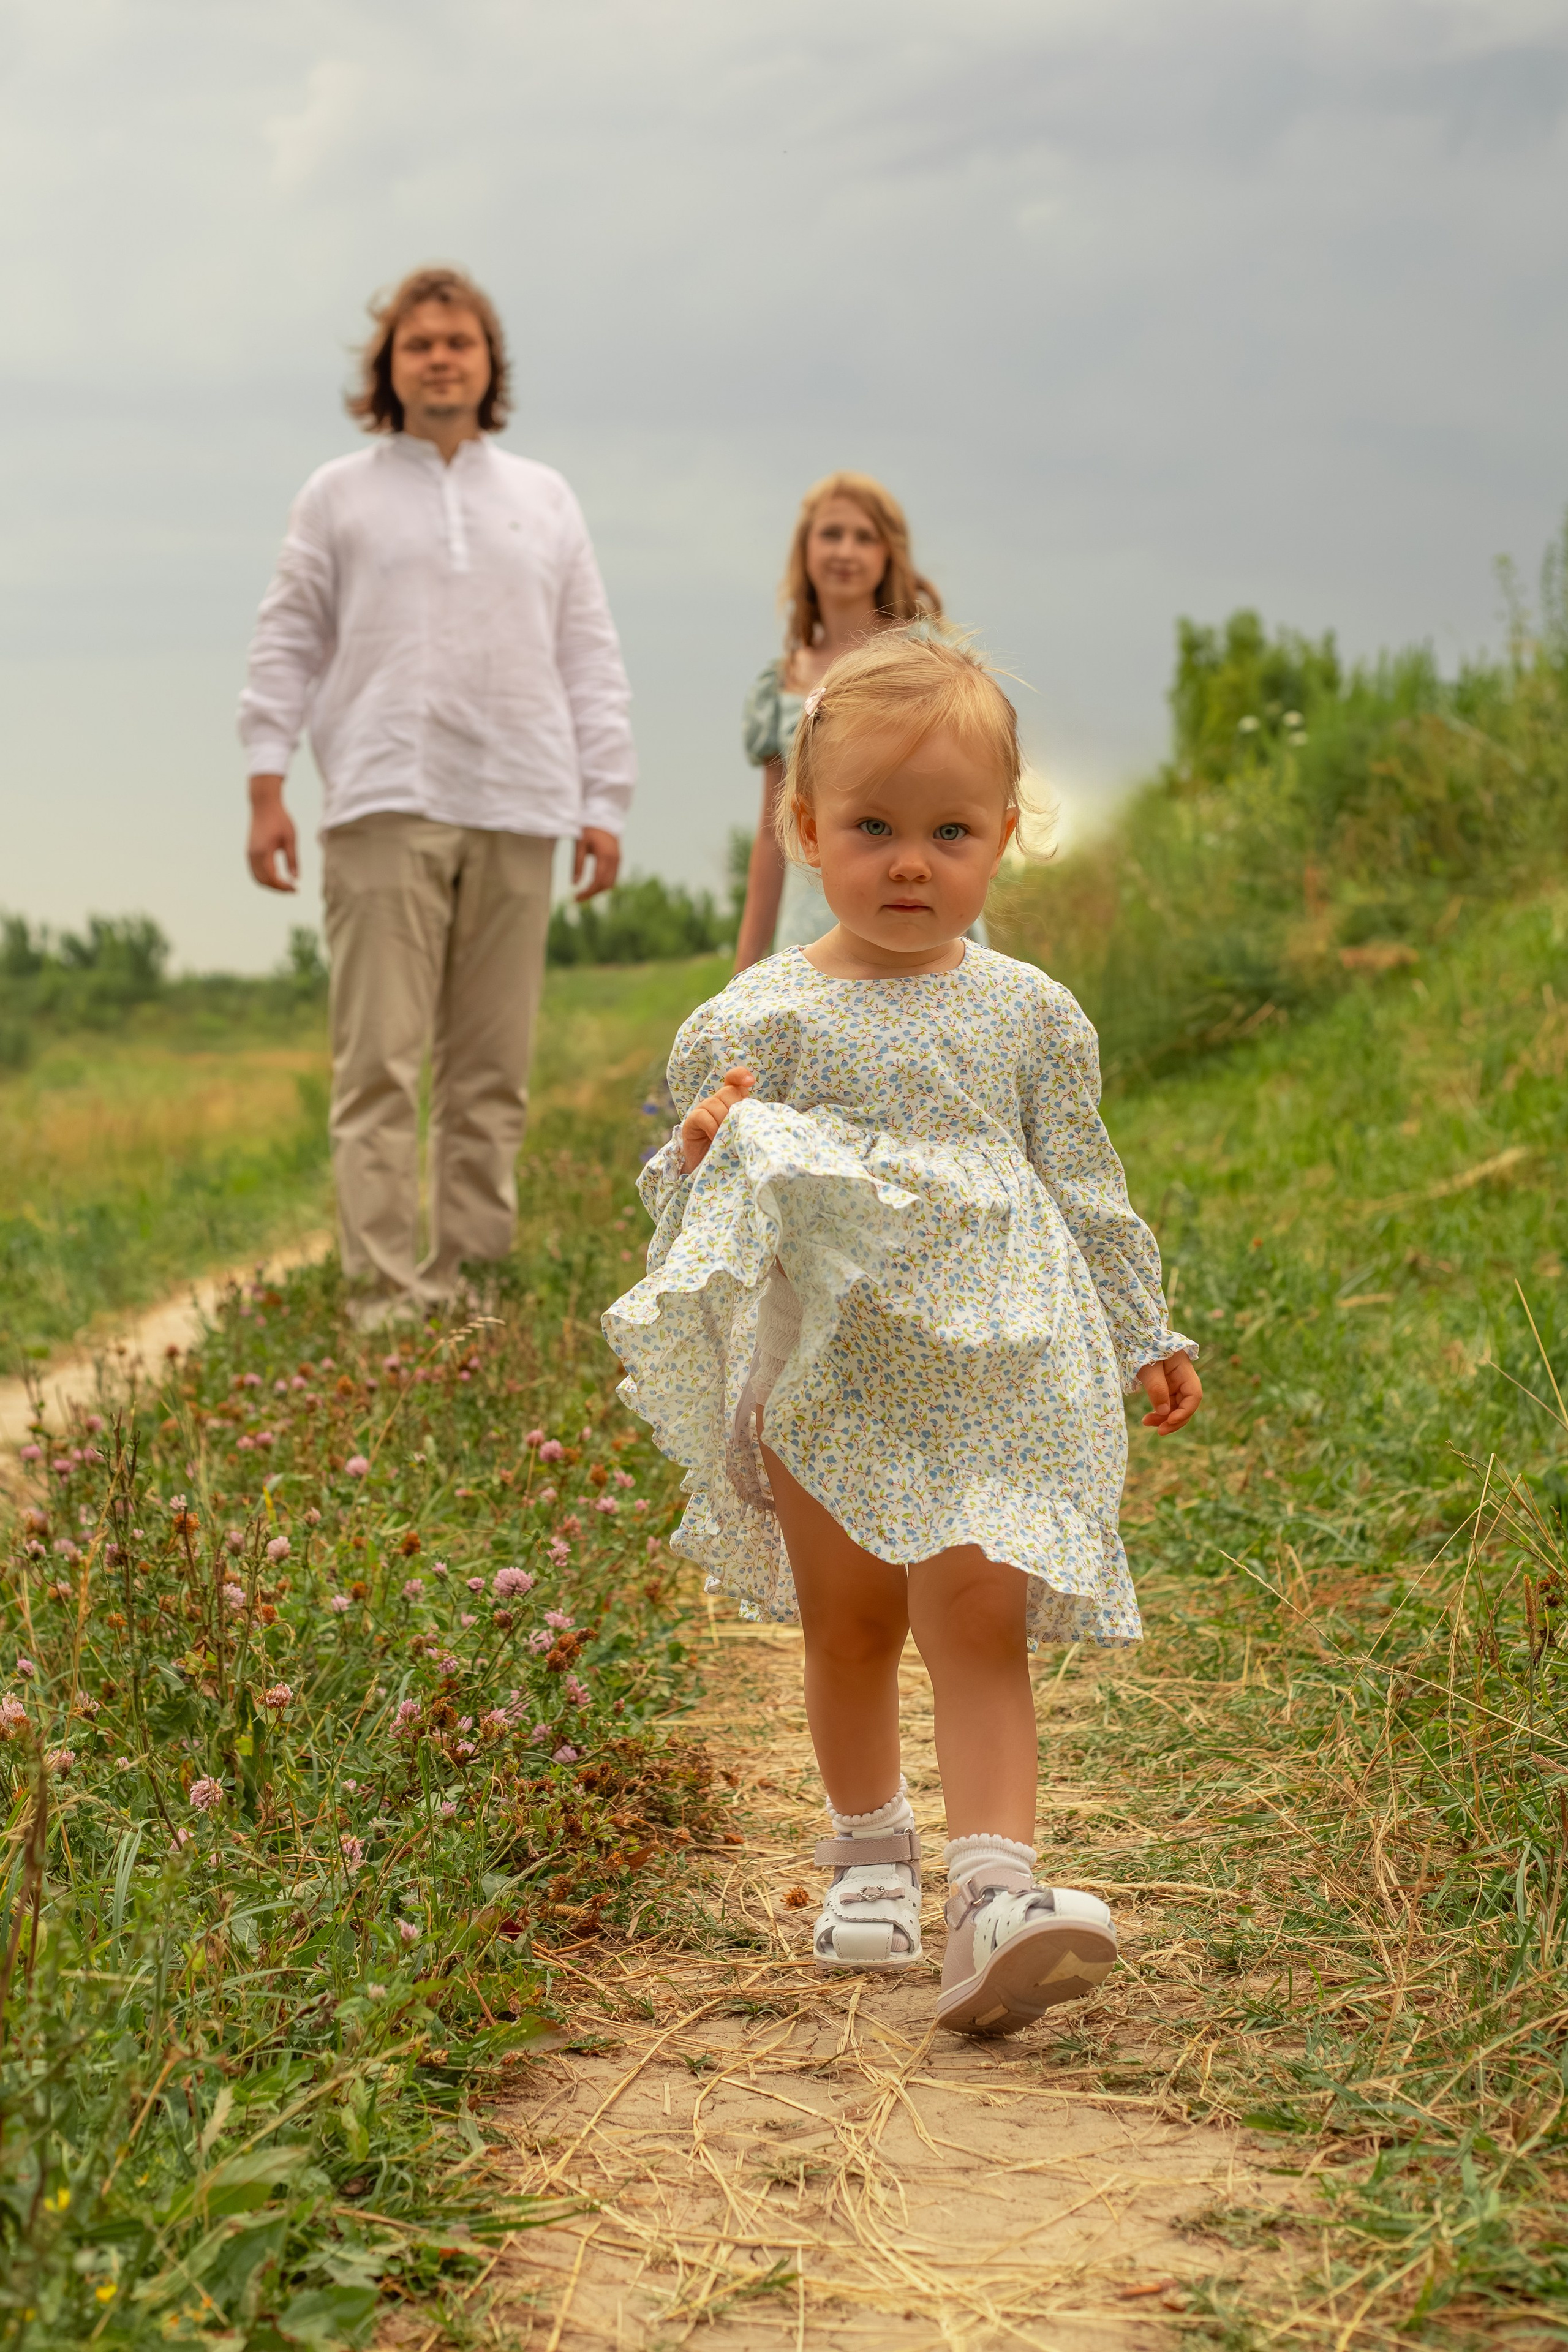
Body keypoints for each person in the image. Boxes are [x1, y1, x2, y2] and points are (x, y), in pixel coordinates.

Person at [605, 631, 1200, 2038]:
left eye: (949, 830)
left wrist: (1138, 1326)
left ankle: (995, 1893)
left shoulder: (1028, 1015)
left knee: (977, 1619)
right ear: (805, 829)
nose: (910, 862)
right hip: (830, 1375)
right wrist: (704, 1141)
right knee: (853, 1621)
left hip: (1003, 1366)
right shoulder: (766, 1013)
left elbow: (1085, 1187)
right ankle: (868, 1845)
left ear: (1004, 835)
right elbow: (701, 1180)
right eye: (871, 828)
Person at [239, 265, 636, 1328]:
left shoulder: (545, 498)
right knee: (379, 1064)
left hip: (521, 799)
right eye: (420, 344)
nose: (442, 357)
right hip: (382, 797)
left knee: (492, 1069)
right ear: (390, 367)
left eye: (460, 341)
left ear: (489, 363)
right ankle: (382, 1292)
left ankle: (469, 1285)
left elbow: (589, 654)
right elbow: (287, 640)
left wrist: (607, 798)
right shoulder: (338, 494)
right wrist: (265, 782)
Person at [734, 472, 963, 970]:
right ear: (805, 550)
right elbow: (773, 834)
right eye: (831, 534)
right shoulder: (781, 684)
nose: (846, 551)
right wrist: (746, 966)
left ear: (888, 554)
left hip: (918, 906)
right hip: (813, 916)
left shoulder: (925, 656)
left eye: (865, 537)